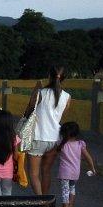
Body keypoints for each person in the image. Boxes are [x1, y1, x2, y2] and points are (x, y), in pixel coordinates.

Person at [27, 66, 71, 197]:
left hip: (38, 138)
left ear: (49, 76)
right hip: (55, 139)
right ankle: (46, 205)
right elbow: (60, 117)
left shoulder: (39, 93)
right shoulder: (67, 97)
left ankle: (41, 205)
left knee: (34, 175)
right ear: (63, 78)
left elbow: (29, 111)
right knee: (46, 172)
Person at [57, 121, 96, 207]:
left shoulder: (62, 145)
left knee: (65, 192)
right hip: (75, 172)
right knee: (72, 189)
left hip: (65, 173)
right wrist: (92, 168)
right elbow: (88, 157)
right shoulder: (80, 144)